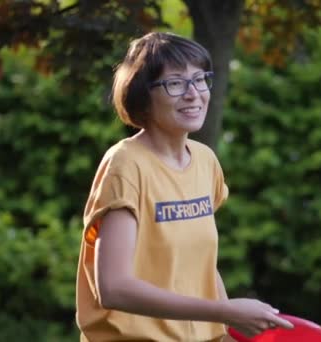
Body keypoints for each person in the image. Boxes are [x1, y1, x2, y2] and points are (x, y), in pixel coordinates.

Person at [75, 32, 293, 342]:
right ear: (142, 95)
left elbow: (201, 266)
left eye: (200, 79)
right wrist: (225, 312)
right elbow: (114, 288)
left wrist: (226, 329)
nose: (193, 93)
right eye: (175, 83)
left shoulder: (205, 162)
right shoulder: (125, 164)